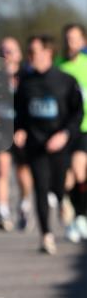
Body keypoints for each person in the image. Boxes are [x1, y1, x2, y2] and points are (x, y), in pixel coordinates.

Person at [14, 35, 84, 254]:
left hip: (60, 144)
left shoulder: (66, 81)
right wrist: (19, 130)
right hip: (36, 144)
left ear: (48, 53)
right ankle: (46, 235)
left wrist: (64, 134)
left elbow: (77, 113)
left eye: (34, 52)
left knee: (59, 185)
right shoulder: (25, 82)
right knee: (41, 188)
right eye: (29, 52)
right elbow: (19, 112)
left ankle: (64, 200)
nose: (30, 56)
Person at [0, 37, 33, 231]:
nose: (7, 55)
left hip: (22, 131)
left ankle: (24, 204)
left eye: (10, 51)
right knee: (2, 169)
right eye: (3, 51)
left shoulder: (27, 76)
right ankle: (2, 212)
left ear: (19, 55)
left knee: (23, 172)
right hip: (2, 130)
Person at [58, 23, 87, 242]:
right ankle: (73, 217)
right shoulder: (58, 66)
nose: (71, 42)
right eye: (68, 38)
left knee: (79, 171)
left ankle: (81, 216)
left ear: (83, 41)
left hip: (84, 127)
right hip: (62, 130)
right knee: (66, 179)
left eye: (75, 38)